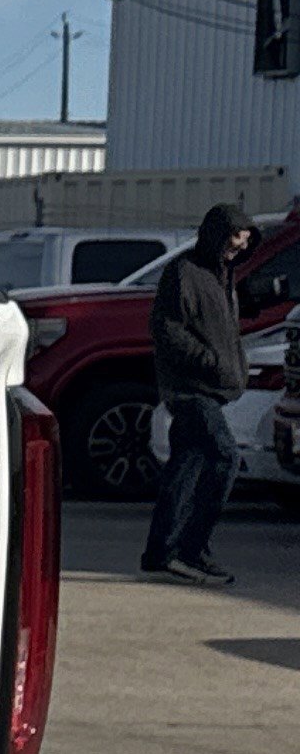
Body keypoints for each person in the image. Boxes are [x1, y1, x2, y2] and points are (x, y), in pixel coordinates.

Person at [140, 202, 255, 587]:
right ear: (214, 236)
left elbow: (225, 331)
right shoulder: (183, 273)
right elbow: (167, 329)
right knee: (225, 457)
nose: (234, 251)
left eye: (241, 246)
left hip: (213, 388)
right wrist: (209, 361)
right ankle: (191, 548)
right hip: (191, 389)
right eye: (231, 244)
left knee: (185, 468)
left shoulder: (223, 277)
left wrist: (232, 366)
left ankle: (162, 552)